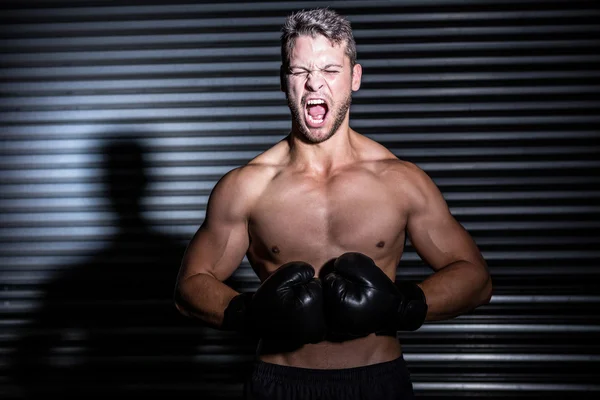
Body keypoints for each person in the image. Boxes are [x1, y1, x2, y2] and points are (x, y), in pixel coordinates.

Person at [174, 7, 492, 400]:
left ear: (355, 78)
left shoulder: (400, 181)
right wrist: (250, 312)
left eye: (329, 70)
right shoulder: (246, 187)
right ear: (283, 80)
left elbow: (476, 280)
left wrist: (401, 307)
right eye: (300, 72)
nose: (314, 85)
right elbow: (189, 287)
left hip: (377, 381)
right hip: (279, 383)